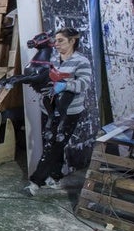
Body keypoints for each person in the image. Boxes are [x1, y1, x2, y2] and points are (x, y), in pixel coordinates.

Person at [26, 28, 92, 195]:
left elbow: (85, 83)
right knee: (52, 144)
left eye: (61, 41)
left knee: (54, 145)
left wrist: (66, 85)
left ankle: (36, 182)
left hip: (69, 112)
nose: (56, 44)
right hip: (48, 110)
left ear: (72, 41)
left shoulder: (81, 61)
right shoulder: (51, 59)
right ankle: (55, 175)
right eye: (55, 41)